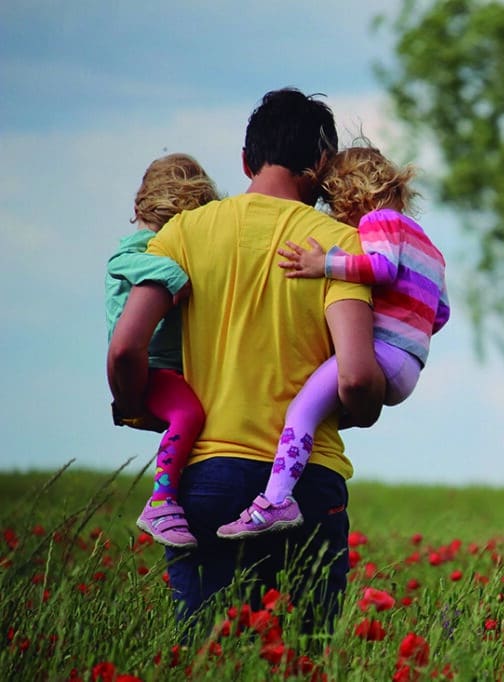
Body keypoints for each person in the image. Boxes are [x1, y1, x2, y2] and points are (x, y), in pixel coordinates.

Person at [107, 88, 385, 632]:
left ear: (244, 160)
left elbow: (124, 347)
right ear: (322, 165)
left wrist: (134, 403)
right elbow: (355, 377)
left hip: (206, 478)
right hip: (307, 484)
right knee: (300, 661)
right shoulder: (340, 247)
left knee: (207, 656)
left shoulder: (184, 233)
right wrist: (368, 404)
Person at [217, 144, 450, 539]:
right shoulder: (430, 247)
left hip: (382, 354)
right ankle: (289, 482)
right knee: (321, 410)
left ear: (350, 194)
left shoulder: (379, 222)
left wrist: (323, 264)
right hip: (410, 365)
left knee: (301, 412)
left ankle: (276, 500)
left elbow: (381, 267)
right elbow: (440, 313)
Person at [105, 153, 218, 549]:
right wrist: (174, 275)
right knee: (189, 413)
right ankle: (161, 500)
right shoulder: (140, 249)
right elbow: (123, 261)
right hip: (151, 367)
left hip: (168, 367)